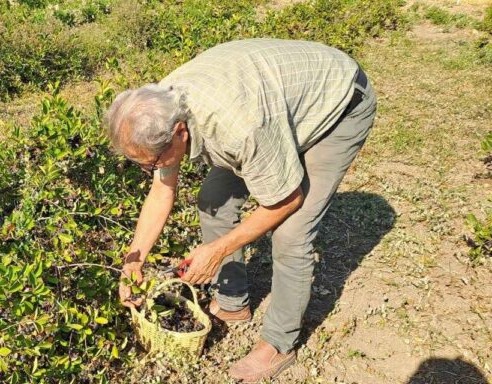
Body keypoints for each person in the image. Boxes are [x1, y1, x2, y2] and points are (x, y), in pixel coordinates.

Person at [104, 38, 376, 382]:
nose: (150, 170)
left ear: (180, 133)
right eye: (140, 164)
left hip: (339, 103)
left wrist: (218, 250)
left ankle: (280, 343)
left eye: (153, 162)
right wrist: (134, 260)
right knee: (213, 197)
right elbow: (162, 189)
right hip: (272, 104)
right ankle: (233, 303)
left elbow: (286, 200)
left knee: (291, 233)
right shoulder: (159, 107)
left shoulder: (239, 128)